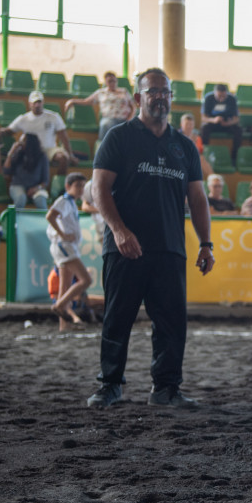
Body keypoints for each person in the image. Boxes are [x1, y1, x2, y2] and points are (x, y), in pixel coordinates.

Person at [87, 67, 214, 409]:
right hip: (124, 248)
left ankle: (166, 389)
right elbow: (99, 189)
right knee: (117, 319)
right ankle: (110, 385)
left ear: (171, 97)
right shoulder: (119, 137)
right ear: (139, 98)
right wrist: (119, 230)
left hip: (170, 248)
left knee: (172, 324)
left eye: (165, 91)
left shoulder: (184, 147)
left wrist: (206, 243)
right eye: (153, 91)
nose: (160, 97)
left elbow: (198, 199)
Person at [46, 172, 93, 328]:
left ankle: (63, 327)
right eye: (77, 185)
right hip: (64, 246)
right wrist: (62, 234)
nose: (80, 189)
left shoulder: (71, 202)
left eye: (82, 186)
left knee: (64, 287)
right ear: (68, 186)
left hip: (67, 246)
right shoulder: (64, 201)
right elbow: (50, 216)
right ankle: (59, 305)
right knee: (86, 280)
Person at [2, 91, 75, 171]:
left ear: (43, 102)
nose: (37, 105)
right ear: (30, 104)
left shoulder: (54, 117)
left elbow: (64, 138)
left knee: (63, 158)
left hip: (49, 149)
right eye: (34, 102)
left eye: (39, 102)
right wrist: (0, 131)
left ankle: (57, 182)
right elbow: (9, 131)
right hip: (29, 150)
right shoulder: (23, 119)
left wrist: (70, 155)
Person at [64, 71, 133, 147]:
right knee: (106, 124)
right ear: (106, 82)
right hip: (109, 119)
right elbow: (86, 101)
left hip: (124, 119)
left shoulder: (124, 91)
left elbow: (133, 106)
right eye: (110, 81)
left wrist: (129, 119)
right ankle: (104, 148)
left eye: (114, 81)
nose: (112, 83)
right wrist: (72, 101)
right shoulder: (101, 93)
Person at [3, 132, 51, 210]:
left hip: (36, 187)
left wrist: (36, 188)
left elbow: (45, 180)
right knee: (21, 198)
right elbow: (6, 171)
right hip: (17, 185)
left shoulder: (42, 156)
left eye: (23, 141)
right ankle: (15, 220)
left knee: (41, 201)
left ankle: (43, 221)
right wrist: (11, 153)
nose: (21, 143)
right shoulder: (18, 154)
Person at [200, 84, 242, 167]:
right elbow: (203, 118)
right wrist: (214, 120)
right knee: (204, 129)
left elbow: (236, 119)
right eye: (219, 96)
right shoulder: (208, 98)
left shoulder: (232, 99)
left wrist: (228, 123)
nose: (221, 98)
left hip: (227, 123)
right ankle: (205, 154)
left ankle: (234, 157)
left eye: (223, 96)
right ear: (215, 93)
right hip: (213, 123)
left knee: (238, 130)